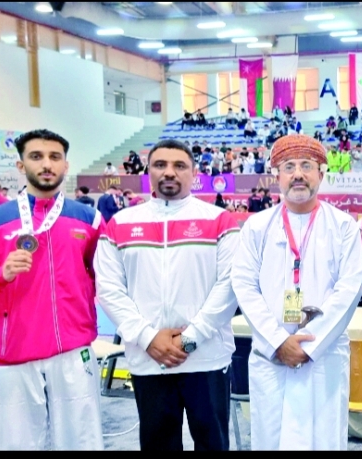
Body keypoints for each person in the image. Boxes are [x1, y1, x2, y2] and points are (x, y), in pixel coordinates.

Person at [0, 129, 105, 450]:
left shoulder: (89, 219)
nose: (46, 164)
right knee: (18, 444)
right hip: (14, 352)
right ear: (21, 166)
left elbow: (107, 279)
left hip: (74, 350)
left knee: (82, 442)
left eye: (54, 157)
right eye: (36, 157)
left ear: (65, 165)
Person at [96, 139, 241, 451]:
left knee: (213, 442)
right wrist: (147, 338)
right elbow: (108, 288)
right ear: (148, 172)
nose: (169, 172)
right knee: (157, 443)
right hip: (149, 358)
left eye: (179, 166)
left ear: (194, 174)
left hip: (206, 358)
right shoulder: (121, 224)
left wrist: (191, 337)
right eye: (160, 165)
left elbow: (230, 286)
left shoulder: (219, 220)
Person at [230, 134, 362, 450]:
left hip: (324, 356)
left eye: (307, 165)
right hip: (271, 355)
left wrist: (309, 344)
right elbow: (244, 285)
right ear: (277, 175)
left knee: (325, 439)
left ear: (322, 173)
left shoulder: (343, 226)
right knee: (271, 438)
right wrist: (279, 341)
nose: (298, 174)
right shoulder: (257, 227)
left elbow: (349, 289)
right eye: (289, 166)